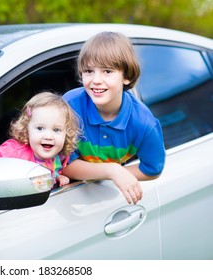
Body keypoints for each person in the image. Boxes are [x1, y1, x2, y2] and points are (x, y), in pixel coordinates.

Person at [63, 31, 165, 204]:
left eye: (107, 71)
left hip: (106, 202)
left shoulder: (143, 122)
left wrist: (119, 174)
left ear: (126, 76)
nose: (96, 80)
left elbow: (152, 169)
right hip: (70, 200)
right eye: (88, 71)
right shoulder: (69, 107)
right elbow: (64, 165)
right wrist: (113, 171)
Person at [0, 91, 80, 187]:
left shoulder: (57, 157)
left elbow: (53, 169)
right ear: (27, 129)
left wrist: (57, 176)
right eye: (40, 128)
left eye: (56, 130)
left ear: (66, 133)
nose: (48, 136)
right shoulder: (14, 153)